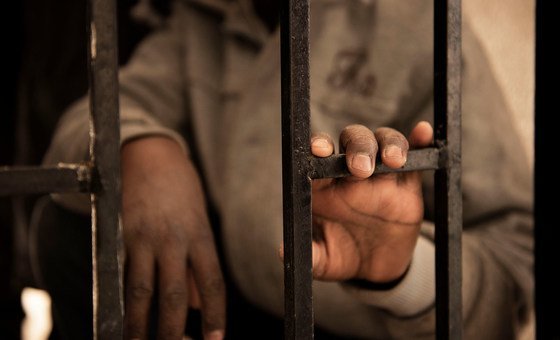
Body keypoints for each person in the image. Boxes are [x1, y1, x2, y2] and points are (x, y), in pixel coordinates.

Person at [41, 0, 533, 339]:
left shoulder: (417, 20)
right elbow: (86, 119)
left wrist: (403, 272)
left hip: (380, 328)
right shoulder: (206, 21)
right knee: (68, 225)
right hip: (240, 308)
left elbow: (515, 259)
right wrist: (143, 149)